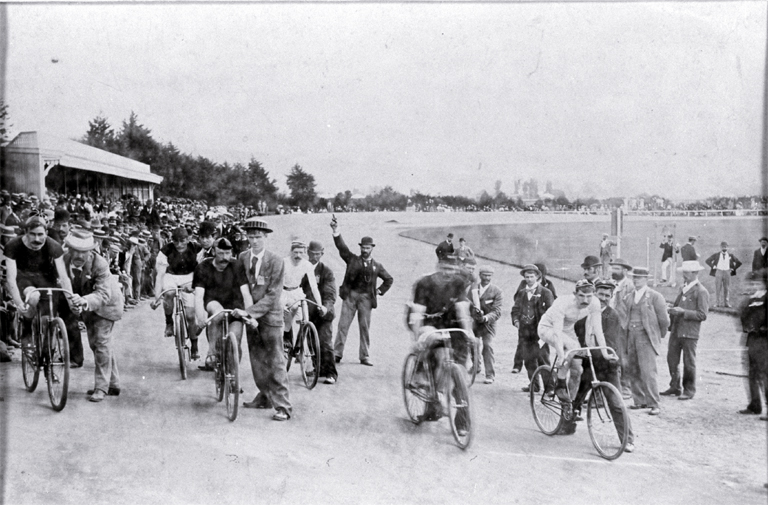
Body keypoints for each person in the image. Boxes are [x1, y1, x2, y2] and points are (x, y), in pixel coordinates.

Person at [407, 257, 474, 430]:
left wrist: (469, 332)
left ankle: (462, 423)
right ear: (438, 266)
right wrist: (418, 339)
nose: (448, 273)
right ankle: (430, 390)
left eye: (452, 269)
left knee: (460, 374)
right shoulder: (425, 283)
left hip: (453, 325)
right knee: (436, 353)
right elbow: (417, 313)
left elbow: (462, 310)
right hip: (430, 323)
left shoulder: (458, 282)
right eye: (444, 268)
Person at [567, 279, 634, 451]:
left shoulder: (611, 316)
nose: (603, 298)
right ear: (594, 295)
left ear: (611, 297)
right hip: (589, 364)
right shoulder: (583, 314)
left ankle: (627, 439)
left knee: (615, 402)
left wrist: (585, 351)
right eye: (600, 294)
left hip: (606, 366)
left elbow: (608, 344)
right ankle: (566, 424)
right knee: (578, 396)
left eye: (607, 295)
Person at [3, 214, 78, 364]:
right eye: (32, 234)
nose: (37, 239)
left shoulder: (53, 245)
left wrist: (71, 300)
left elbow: (64, 277)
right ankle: (27, 328)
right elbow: (10, 279)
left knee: (48, 316)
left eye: (40, 235)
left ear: (46, 233)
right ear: (25, 233)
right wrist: (19, 305)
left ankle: (47, 353)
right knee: (33, 297)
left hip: (46, 279)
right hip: (24, 278)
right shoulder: (13, 245)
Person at [237, 218, 292, 421]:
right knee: (257, 359)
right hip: (249, 316)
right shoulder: (242, 257)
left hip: (270, 317)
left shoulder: (276, 261)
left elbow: (272, 295)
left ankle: (283, 406)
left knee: (276, 360)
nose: (254, 241)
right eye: (251, 237)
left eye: (258, 237)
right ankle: (264, 397)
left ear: (266, 237)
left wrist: (250, 311)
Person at [61, 229, 124, 402]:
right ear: (69, 248)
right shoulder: (63, 260)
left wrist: (83, 301)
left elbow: (104, 295)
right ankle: (113, 383)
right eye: (76, 250)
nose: (80, 255)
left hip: (106, 305)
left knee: (101, 343)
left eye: (84, 251)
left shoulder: (100, 264)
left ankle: (101, 387)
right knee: (97, 345)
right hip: (87, 306)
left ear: (91, 250)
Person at [331, 216, 393, 366]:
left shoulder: (377, 266)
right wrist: (335, 231)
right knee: (343, 326)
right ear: (360, 248)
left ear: (372, 248)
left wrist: (379, 291)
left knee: (364, 328)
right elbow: (342, 248)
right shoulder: (352, 260)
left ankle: (364, 356)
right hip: (350, 296)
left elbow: (389, 279)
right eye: (363, 248)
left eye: (367, 248)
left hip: (366, 299)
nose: (365, 250)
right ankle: (337, 354)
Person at [538, 280, 611, 405]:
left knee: (578, 370)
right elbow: (557, 332)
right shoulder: (562, 303)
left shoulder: (594, 303)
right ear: (575, 294)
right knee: (570, 347)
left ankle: (569, 405)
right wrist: (561, 354)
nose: (585, 300)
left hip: (568, 331)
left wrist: (605, 353)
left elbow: (598, 330)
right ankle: (560, 384)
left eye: (589, 296)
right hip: (548, 328)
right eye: (581, 295)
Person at [616, 266, 670, 416]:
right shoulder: (629, 296)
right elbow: (623, 316)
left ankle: (654, 403)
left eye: (639, 278)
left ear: (646, 279)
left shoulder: (654, 296)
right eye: (634, 277)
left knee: (648, 371)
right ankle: (639, 400)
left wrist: (657, 335)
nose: (636, 280)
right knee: (633, 368)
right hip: (631, 336)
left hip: (645, 337)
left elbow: (664, 320)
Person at [193, 237, 253, 372]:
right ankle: (212, 352)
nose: (224, 257)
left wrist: (250, 315)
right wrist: (200, 318)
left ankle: (233, 378)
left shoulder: (237, 266)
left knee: (235, 340)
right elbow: (199, 296)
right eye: (220, 253)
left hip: (235, 305)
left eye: (227, 253)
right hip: (213, 301)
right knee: (217, 313)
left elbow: (246, 294)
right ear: (213, 252)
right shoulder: (203, 267)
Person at [151, 226, 202, 359]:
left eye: (183, 241)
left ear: (188, 239)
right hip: (171, 276)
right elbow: (160, 275)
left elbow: (202, 270)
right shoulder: (165, 251)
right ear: (172, 240)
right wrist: (157, 296)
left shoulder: (197, 248)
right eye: (176, 241)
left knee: (191, 316)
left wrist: (195, 286)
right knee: (169, 293)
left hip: (190, 276)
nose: (179, 245)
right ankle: (169, 322)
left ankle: (195, 346)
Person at [662, 260, 709, 401]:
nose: (684, 275)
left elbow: (702, 315)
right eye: (684, 272)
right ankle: (675, 386)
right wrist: (671, 308)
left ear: (695, 273)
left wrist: (683, 312)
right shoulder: (684, 288)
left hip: (690, 332)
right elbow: (678, 305)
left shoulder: (701, 291)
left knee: (689, 362)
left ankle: (689, 390)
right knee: (672, 359)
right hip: (676, 330)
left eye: (687, 272)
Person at [510, 264, 554, 388]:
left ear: (537, 277)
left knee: (542, 358)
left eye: (531, 277)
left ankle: (549, 387)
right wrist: (516, 321)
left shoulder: (546, 293)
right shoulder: (522, 293)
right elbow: (515, 309)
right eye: (527, 277)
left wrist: (546, 328)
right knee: (528, 359)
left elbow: (551, 312)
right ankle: (534, 385)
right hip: (525, 331)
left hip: (540, 331)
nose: (529, 279)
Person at [301, 240, 338, 384]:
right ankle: (319, 368)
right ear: (307, 252)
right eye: (312, 253)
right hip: (307, 312)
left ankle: (331, 373)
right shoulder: (302, 268)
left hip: (323, 313)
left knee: (325, 343)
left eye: (318, 254)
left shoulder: (326, 271)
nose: (314, 257)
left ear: (322, 254)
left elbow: (330, 294)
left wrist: (325, 307)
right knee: (311, 342)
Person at [281, 240, 323, 360]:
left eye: (300, 252)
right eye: (295, 252)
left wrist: (319, 304)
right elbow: (277, 283)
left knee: (305, 317)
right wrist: (281, 303)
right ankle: (286, 340)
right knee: (288, 315)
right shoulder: (284, 262)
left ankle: (299, 346)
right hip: (283, 292)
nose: (298, 255)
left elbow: (314, 287)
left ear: (304, 253)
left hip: (297, 291)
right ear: (291, 252)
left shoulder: (307, 265)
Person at [738, 270, 768, 419]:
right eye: (752, 283)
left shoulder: (766, 299)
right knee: (752, 373)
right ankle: (755, 404)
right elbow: (743, 317)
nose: (754, 286)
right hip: (752, 339)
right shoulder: (751, 299)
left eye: (757, 283)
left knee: (765, 374)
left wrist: (762, 328)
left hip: (764, 340)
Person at [470, 265, 503, 384]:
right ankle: (476, 366)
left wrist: (485, 317)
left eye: (489, 276)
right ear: (480, 275)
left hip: (488, 324)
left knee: (487, 346)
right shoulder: (473, 288)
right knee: (473, 344)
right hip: (474, 323)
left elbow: (497, 311)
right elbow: (467, 303)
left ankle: (490, 374)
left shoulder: (497, 291)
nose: (487, 278)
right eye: (484, 275)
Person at [608, 258, 634, 398]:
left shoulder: (629, 286)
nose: (613, 271)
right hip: (608, 324)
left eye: (617, 269)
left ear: (625, 270)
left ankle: (626, 386)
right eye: (613, 268)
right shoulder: (609, 283)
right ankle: (612, 385)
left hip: (623, 324)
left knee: (624, 357)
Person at [705, 241, 742, 308]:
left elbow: (739, 262)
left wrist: (733, 268)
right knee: (718, 288)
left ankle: (726, 303)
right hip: (718, 272)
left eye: (725, 246)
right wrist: (713, 266)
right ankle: (717, 303)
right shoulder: (717, 255)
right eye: (722, 247)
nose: (724, 248)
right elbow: (707, 260)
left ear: (727, 247)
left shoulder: (731, 255)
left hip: (727, 272)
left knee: (727, 288)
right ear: (720, 247)